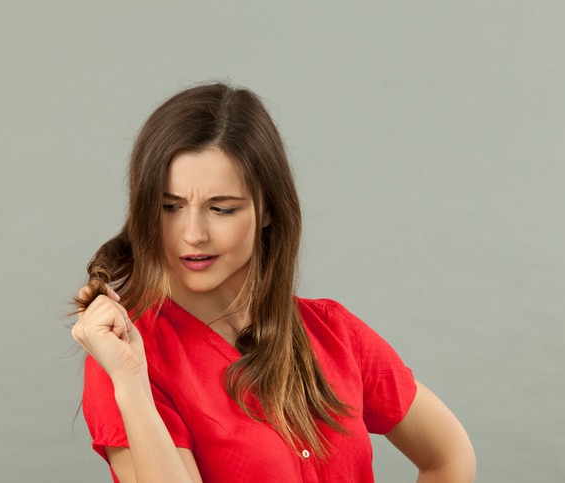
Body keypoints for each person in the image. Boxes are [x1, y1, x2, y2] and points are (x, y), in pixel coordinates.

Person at [71, 83, 476, 483]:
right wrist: (129, 381)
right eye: (171, 207)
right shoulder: (127, 360)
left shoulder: (333, 332)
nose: (192, 233)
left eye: (221, 208)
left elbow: (449, 457)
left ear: (268, 210)